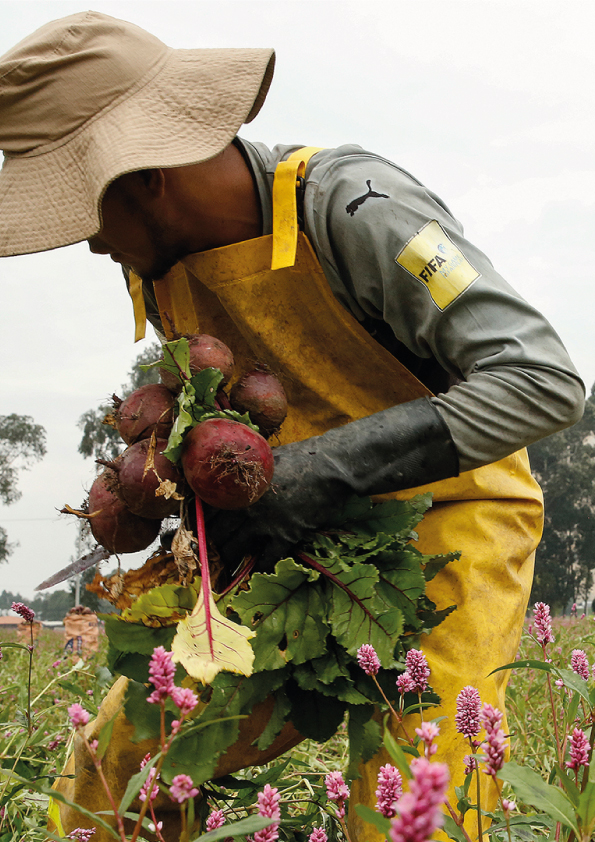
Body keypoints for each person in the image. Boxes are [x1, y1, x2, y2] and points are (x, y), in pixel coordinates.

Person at [0, 11, 585, 841]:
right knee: (120, 763)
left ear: (144, 176)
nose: (88, 244)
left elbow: (542, 381)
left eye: (83, 213)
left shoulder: (355, 208)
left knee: (410, 795)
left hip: (454, 524)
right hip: (290, 554)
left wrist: (322, 472)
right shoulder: (156, 262)